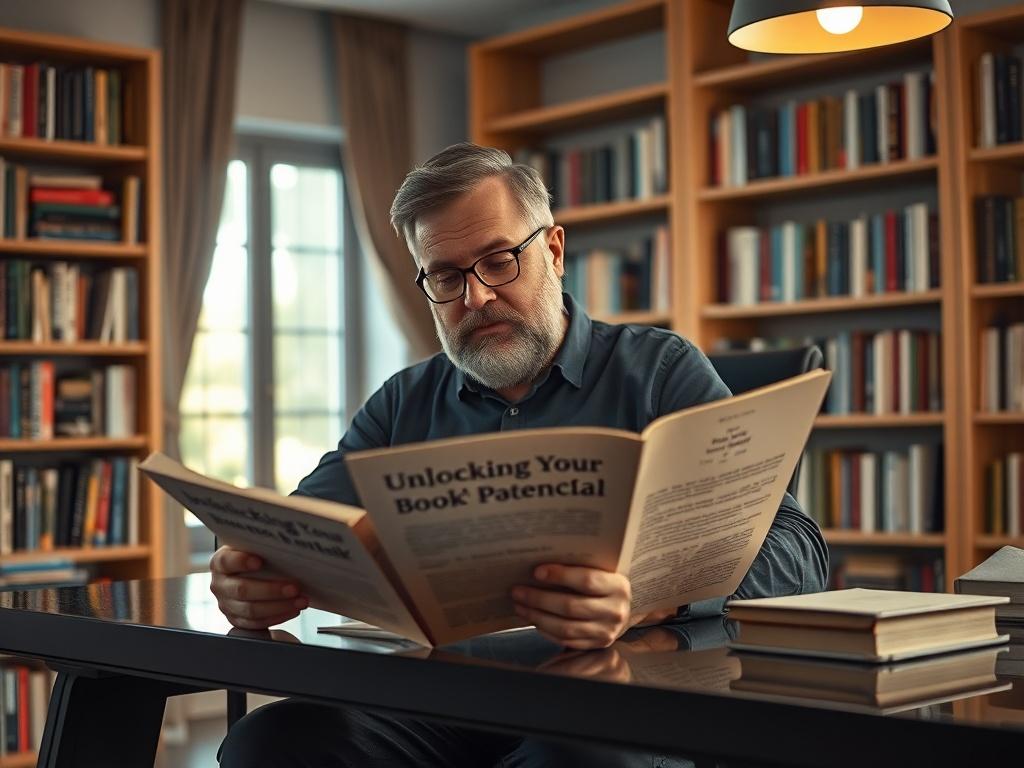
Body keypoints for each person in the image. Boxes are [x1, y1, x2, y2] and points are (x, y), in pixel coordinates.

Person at [214, 142, 828, 767]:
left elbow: (798, 551)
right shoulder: (404, 401)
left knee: (579, 759)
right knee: (271, 744)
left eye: (498, 261)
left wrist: (650, 592)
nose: (475, 298)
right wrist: (253, 574)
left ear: (554, 252)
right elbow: (298, 532)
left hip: (601, 705)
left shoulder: (660, 373)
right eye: (446, 276)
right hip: (436, 705)